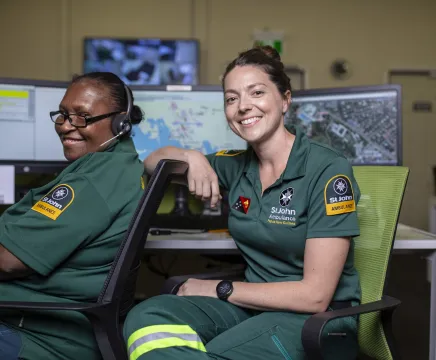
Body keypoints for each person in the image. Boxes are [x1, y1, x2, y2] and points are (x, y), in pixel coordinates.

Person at [124, 46, 361, 360]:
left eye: (257, 93)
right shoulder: (234, 165)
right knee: (146, 318)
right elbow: (153, 162)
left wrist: (220, 288)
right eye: (231, 98)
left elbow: (315, 296)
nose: (242, 107)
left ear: (285, 99)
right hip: (253, 308)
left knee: (216, 353)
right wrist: (190, 157)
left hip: (318, 320)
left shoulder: (328, 170)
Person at [0, 72, 145, 360]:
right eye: (63, 115)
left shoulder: (93, 183)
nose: (67, 126)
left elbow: (8, 260)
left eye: (82, 116)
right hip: (41, 325)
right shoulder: (113, 166)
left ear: (120, 122)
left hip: (40, 336)